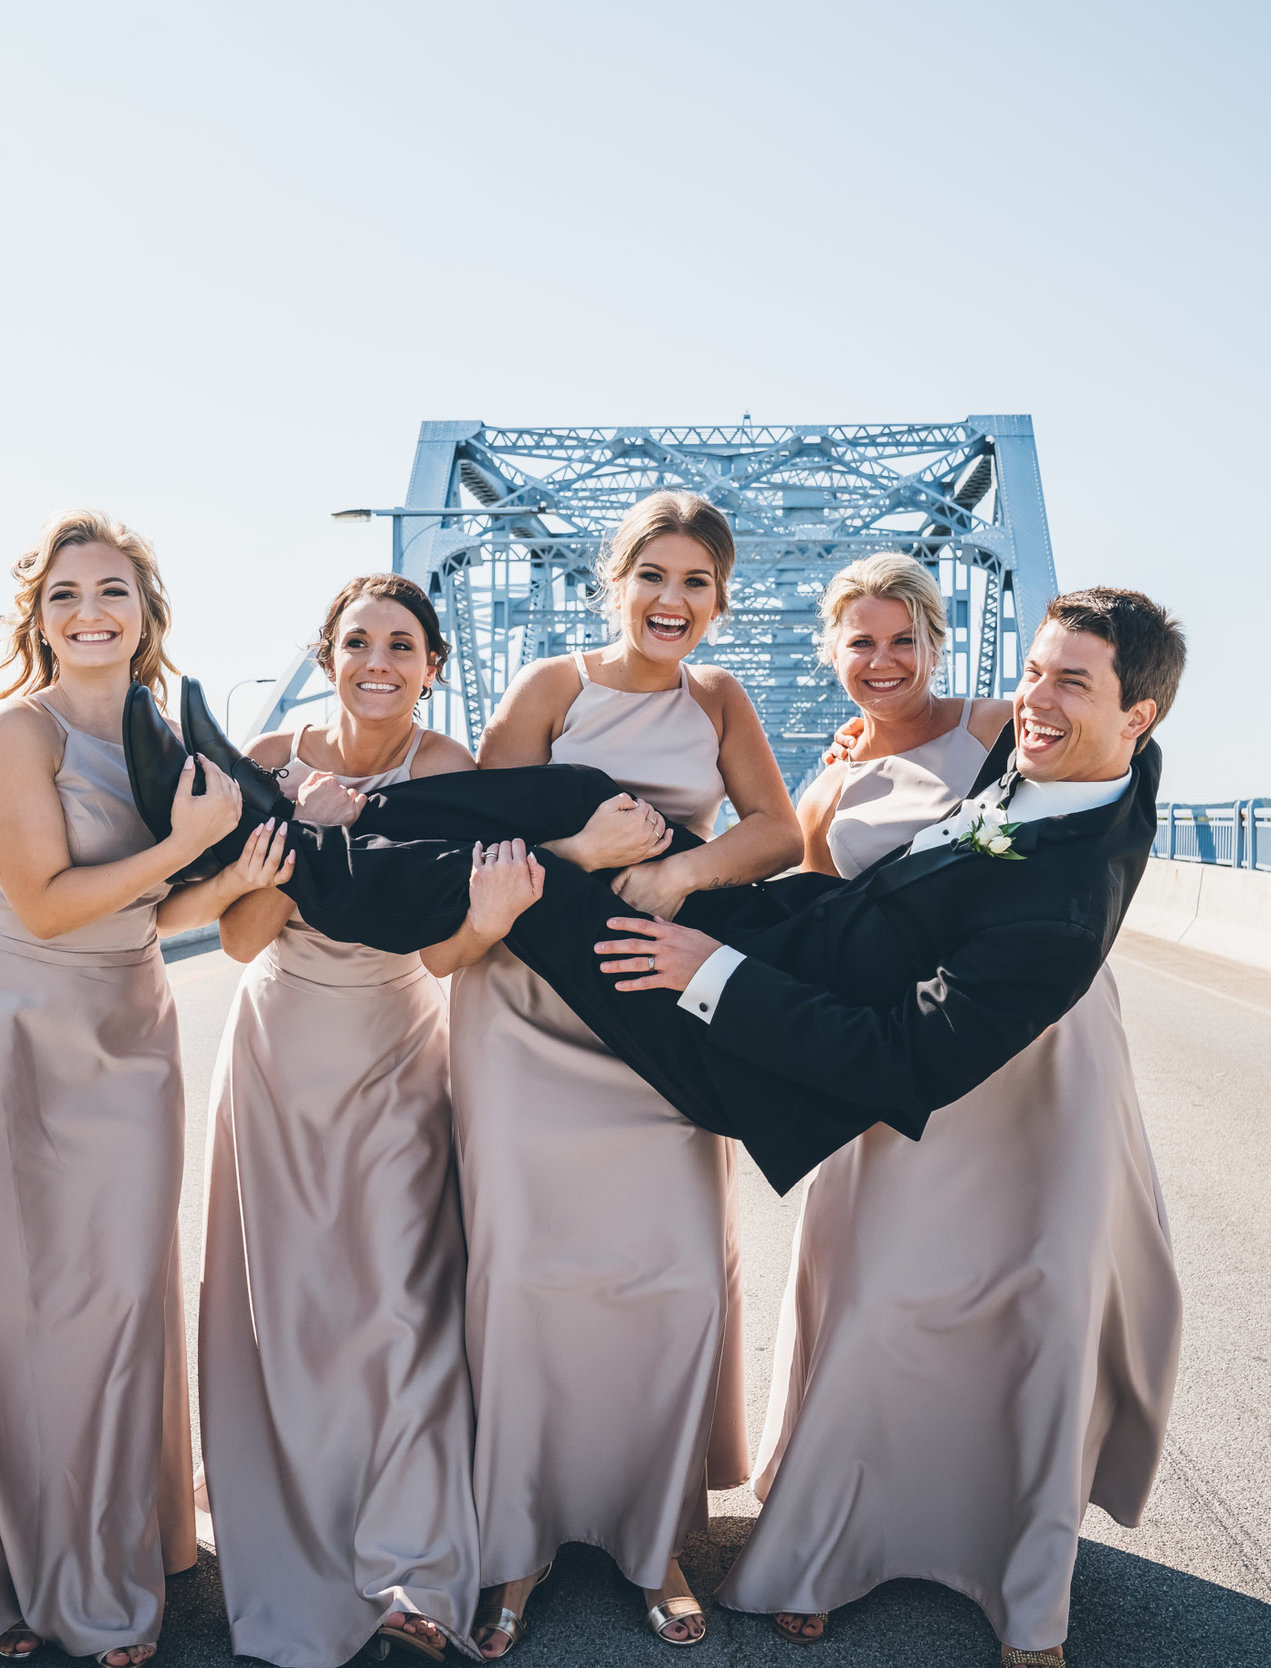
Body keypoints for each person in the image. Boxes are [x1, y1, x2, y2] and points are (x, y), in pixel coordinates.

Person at [121, 587, 1178, 1199]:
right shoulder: (1099, 768)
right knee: (585, 791)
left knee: (530, 883)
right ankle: (341, 810)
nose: (1032, 700)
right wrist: (893, 726)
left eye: (1067, 685)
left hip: (744, 1040)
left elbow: (906, 1061)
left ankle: (301, 847)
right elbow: (1002, 736)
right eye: (1033, 671)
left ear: (1138, 714)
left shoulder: (1063, 903)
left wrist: (709, 973)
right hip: (781, 933)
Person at [716, 563, 1183, 1667]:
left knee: (1038, 1296)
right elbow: (837, 919)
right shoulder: (828, 786)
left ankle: (1019, 1564)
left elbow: (1107, 772)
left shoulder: (992, 728)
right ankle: (828, 1532)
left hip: (1046, 1058)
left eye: (901, 643)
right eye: (858, 644)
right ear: (830, 654)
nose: (880, 664)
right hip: (906, 1044)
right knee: (885, 1286)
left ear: (934, 645)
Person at [0, 510, 268, 1668]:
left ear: (147, 614)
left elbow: (158, 918)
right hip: (9, 1028)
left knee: (114, 1298)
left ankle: (100, 1564)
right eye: (67, 594)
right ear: (39, 615)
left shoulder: (167, 742)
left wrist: (245, 864)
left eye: (113, 592)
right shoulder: (11, 733)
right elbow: (47, 902)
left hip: (128, 1025)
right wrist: (186, 846)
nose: (91, 612)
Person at [433, 491, 803, 1654]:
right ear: (615, 579)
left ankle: (656, 1546)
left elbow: (778, 832)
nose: (672, 600)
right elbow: (474, 844)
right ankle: (513, 1554)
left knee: (674, 1279)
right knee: (526, 1284)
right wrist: (586, 852)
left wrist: (684, 880)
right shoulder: (552, 686)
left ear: (719, 599)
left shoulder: (719, 699)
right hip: (527, 1025)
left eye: (697, 581)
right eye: (654, 574)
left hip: (657, 1025)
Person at [193, 574, 487, 1668]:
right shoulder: (268, 762)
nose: (379, 662)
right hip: (277, 1048)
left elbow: (459, 934)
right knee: (295, 1308)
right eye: (358, 642)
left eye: (402, 645)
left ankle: (411, 1564)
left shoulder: (452, 769)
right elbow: (232, 938)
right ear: (327, 655)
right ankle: (297, 1531)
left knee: (403, 1304)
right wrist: (306, 839)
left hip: (399, 1048)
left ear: (432, 665)